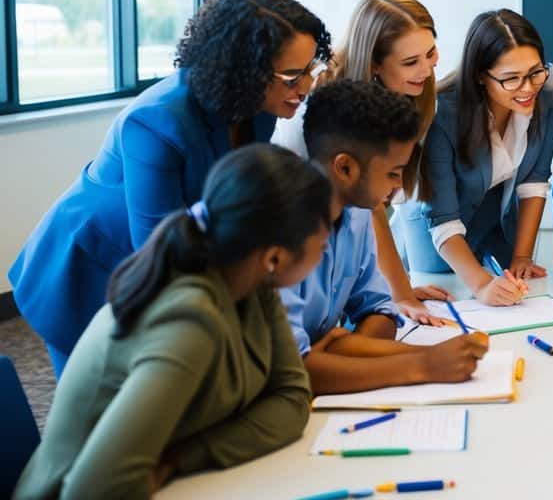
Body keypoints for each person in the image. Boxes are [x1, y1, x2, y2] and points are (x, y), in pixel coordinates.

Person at [9, 0, 330, 375]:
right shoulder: (156, 121)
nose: (307, 86)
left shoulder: (260, 106)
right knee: (99, 406)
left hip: (168, 258)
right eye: (293, 76)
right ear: (245, 69)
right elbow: (159, 248)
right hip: (90, 266)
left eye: (311, 69)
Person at [14, 145, 329, 498]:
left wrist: (181, 458)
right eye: (321, 243)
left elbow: (291, 398)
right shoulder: (188, 321)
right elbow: (92, 489)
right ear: (275, 256)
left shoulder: (254, 284)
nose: (324, 250)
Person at [282, 80, 488, 395]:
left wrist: (340, 351)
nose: (398, 187)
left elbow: (381, 312)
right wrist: (423, 365)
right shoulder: (281, 232)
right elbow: (291, 371)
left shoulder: (358, 214)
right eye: (393, 173)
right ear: (346, 168)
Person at [272, 0, 454, 325]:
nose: (427, 70)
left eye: (430, 52)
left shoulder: (416, 89)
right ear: (374, 64)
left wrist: (400, 288)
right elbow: (368, 209)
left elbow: (381, 201)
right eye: (411, 62)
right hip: (296, 245)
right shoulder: (322, 107)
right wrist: (400, 293)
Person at [415, 10, 553, 305]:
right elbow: (443, 218)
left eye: (535, 72)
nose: (528, 88)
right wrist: (480, 285)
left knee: (514, 295)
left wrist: (522, 255)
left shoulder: (548, 88)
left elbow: (535, 179)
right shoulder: (442, 113)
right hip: (439, 233)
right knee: (452, 300)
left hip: (494, 219)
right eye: (511, 79)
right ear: (481, 76)